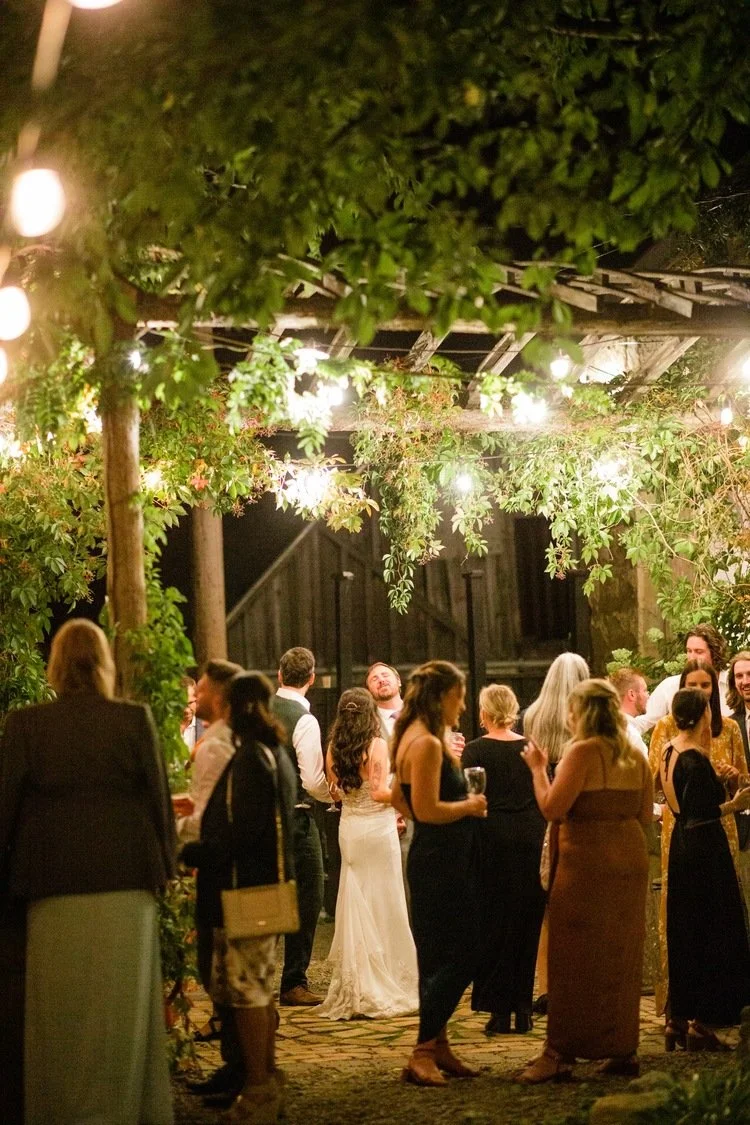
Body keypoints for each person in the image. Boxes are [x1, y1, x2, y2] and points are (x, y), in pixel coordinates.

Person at [0, 619, 175, 1125]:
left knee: (61, 1012)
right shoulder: (133, 719)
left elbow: (5, 808)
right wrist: (164, 870)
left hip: (52, 883)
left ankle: (63, 1110)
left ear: (55, 666)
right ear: (104, 664)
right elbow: (159, 805)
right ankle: (123, 1108)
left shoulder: (25, 724)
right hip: (126, 882)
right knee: (122, 1010)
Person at [517, 679, 653, 1084]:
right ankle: (621, 1047)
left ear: (581, 713)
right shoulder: (634, 754)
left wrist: (538, 769)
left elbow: (552, 807)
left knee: (574, 956)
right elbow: (644, 814)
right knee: (620, 954)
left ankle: (560, 1051)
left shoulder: (582, 752)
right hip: (628, 858)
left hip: (586, 863)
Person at [182, 671, 296, 1125]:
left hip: (247, 886)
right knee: (260, 992)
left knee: (248, 994)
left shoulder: (251, 757)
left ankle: (258, 1088)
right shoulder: (273, 751)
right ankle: (266, 1079)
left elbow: (242, 831)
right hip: (262, 883)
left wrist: (194, 852)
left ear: (236, 707)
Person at [393, 660, 487, 1087]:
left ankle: (439, 1045)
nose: (463, 707)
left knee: (434, 956)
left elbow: (398, 797)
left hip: (430, 856)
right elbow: (428, 809)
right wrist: (469, 806)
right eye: (460, 697)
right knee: (468, 951)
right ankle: (422, 1051)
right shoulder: (428, 744)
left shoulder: (409, 736)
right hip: (442, 862)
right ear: (443, 696)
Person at [648, 660, 746, 1014]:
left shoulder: (670, 750)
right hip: (702, 847)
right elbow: (703, 811)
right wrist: (736, 804)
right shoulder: (694, 758)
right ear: (701, 713)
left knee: (687, 928)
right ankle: (705, 1014)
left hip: (683, 842)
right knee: (711, 928)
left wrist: (724, 782)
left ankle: (681, 1015)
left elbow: (683, 797)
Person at [317, 688, 418, 1019]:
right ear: (370, 714)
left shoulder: (333, 747)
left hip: (350, 828)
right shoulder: (376, 745)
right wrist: (403, 792)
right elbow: (378, 792)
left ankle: (357, 980)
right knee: (385, 900)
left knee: (355, 895)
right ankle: (386, 974)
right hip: (377, 828)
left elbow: (335, 794)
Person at [463, 684, 546, 1036]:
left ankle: (499, 1009)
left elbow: (470, 798)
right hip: (529, 836)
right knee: (527, 922)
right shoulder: (530, 748)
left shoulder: (475, 751)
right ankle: (523, 1008)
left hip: (491, 837)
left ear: (483, 713)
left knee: (493, 924)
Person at [522, 651, 590, 1013]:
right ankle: (576, 982)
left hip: (541, 807)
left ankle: (546, 987)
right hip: (575, 811)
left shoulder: (533, 716)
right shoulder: (587, 720)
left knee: (547, 907)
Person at [270, 646, 331, 1006]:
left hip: (263, 818)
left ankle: (257, 977)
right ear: (311, 679)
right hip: (295, 817)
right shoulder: (304, 720)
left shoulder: (261, 709)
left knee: (266, 895)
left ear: (280, 675)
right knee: (308, 896)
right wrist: (335, 796)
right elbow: (311, 780)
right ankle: (293, 980)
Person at [635, 624, 730, 734]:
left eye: (699, 652)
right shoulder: (669, 686)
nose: (692, 657)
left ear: (715, 653)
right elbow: (645, 722)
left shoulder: (732, 683)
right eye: (689, 651)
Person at [609, 667, 649, 757]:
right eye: (645, 690)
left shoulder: (602, 727)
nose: (647, 696)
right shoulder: (632, 736)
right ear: (632, 694)